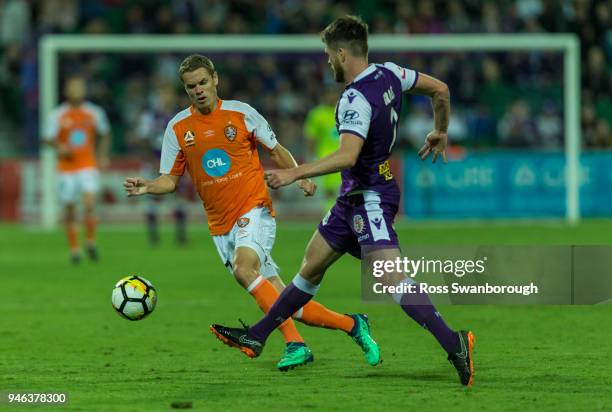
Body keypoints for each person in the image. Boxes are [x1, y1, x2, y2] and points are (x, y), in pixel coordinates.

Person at [211, 16, 475, 387]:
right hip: (354, 197)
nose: (328, 63)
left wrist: (295, 173)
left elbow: (348, 155)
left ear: (341, 52)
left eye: (328, 55)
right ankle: (258, 335)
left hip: (369, 196)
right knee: (311, 265)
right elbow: (441, 90)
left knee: (390, 277)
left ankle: (454, 342)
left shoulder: (354, 98)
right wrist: (441, 130)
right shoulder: (390, 73)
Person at [124, 55, 379, 371]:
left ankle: (284, 341)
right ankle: (351, 326)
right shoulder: (177, 128)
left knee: (245, 271)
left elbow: (275, 149)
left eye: (203, 82)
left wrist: (299, 176)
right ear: (185, 90)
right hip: (220, 227)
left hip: (254, 210)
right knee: (290, 304)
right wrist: (148, 187)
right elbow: (170, 180)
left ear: (215, 79)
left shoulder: (241, 114)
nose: (199, 90)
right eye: (191, 87)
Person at [44, 75, 111, 264]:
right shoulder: (57, 114)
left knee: (89, 203)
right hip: (66, 169)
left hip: (87, 165)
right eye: (73, 87)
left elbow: (105, 133)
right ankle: (74, 249)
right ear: (67, 91)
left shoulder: (94, 112)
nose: (76, 90)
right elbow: (48, 138)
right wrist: (60, 147)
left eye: (79, 87)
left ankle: (90, 241)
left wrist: (102, 155)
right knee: (70, 210)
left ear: (84, 90)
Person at [130, 83, 188, 246]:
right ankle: (153, 236)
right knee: (150, 197)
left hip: (176, 164)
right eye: (162, 94)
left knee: (179, 198)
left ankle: (180, 236)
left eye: (168, 94)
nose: (165, 98)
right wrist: (152, 160)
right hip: (153, 162)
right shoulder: (150, 117)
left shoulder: (181, 117)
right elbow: (142, 139)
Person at [303, 87, 342, 212]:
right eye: (329, 93)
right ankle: (331, 217)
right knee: (330, 192)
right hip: (325, 158)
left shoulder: (344, 111)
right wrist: (310, 157)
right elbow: (311, 137)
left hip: (344, 157)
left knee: (345, 191)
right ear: (325, 95)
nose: (332, 96)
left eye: (334, 93)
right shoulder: (317, 114)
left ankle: (338, 218)